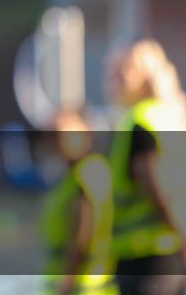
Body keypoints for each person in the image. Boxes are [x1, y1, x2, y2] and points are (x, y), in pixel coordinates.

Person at [105, 39, 186, 295]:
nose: (115, 79)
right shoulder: (170, 117)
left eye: (124, 71)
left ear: (146, 75)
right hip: (172, 250)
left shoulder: (139, 122)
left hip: (144, 255)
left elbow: (156, 186)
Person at [40, 110, 117, 295]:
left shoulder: (89, 170)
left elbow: (85, 232)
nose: (57, 141)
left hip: (84, 283)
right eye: (52, 135)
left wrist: (70, 277)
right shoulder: (72, 175)